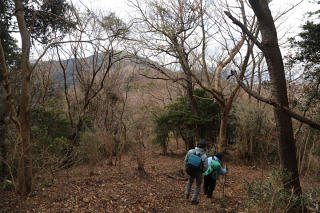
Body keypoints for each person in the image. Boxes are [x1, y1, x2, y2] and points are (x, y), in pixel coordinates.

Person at [184, 139, 208, 205]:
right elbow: (205, 167)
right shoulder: (204, 156)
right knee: (198, 185)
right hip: (198, 173)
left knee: (190, 182)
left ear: (197, 145)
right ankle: (193, 200)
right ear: (204, 147)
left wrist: (188, 167)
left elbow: (185, 160)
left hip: (190, 170)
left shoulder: (190, 151)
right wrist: (202, 171)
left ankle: (187, 194)